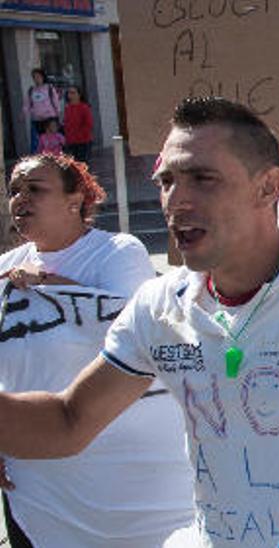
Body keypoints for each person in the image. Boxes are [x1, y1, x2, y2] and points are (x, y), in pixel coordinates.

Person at [0, 97, 279, 548]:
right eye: (166, 181)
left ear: (268, 186)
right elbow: (68, 420)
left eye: (203, 179)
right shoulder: (158, 306)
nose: (176, 200)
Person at [0, 153, 194, 547]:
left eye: (35, 189)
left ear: (76, 201)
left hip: (126, 473)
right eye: (14, 191)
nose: (20, 199)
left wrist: (49, 283)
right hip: (36, 481)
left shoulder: (119, 252)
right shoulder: (5, 268)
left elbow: (134, 329)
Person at [23, 68, 60, 154]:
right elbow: (27, 104)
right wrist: (25, 113)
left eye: (38, 76)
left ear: (43, 77)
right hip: (37, 119)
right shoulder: (31, 90)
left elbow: (56, 101)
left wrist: (58, 114)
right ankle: (45, 157)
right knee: (42, 140)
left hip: (50, 118)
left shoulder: (49, 88)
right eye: (34, 77)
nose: (37, 79)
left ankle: (55, 156)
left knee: (52, 138)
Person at [61, 86, 93, 164]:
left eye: (73, 93)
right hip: (70, 141)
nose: (71, 95)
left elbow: (88, 124)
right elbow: (66, 123)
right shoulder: (67, 108)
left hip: (83, 141)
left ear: (79, 95)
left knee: (82, 163)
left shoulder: (84, 107)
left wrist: (80, 135)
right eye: (69, 93)